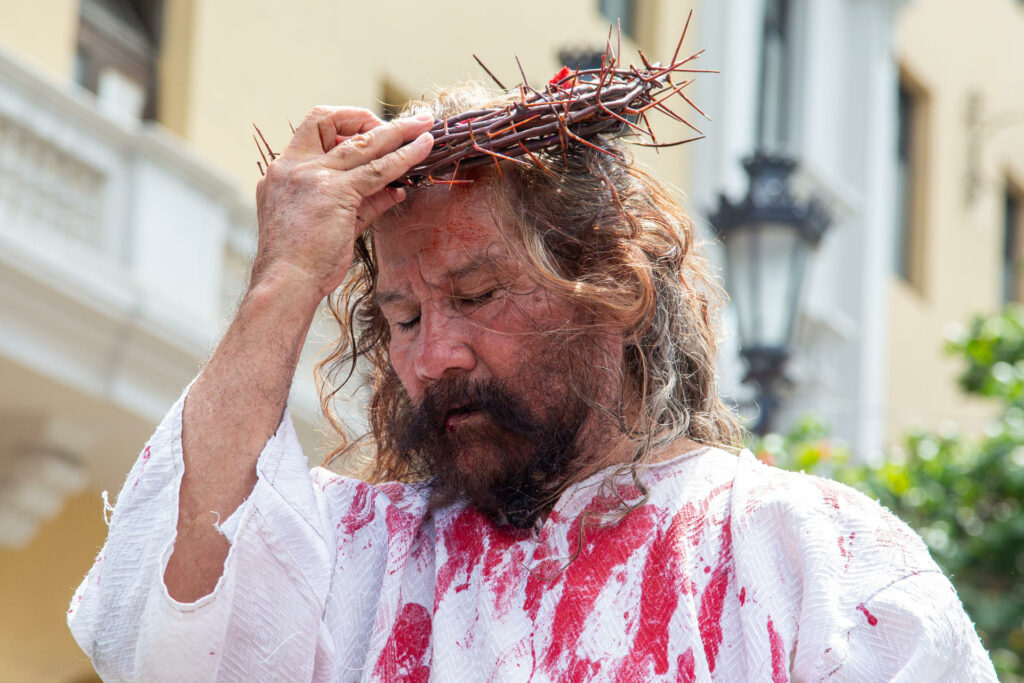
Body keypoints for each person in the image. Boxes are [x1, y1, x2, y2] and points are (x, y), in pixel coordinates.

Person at [68, 86, 997, 682]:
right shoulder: (347, 557)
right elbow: (161, 647)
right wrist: (283, 282)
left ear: (615, 285)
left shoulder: (815, 561)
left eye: (476, 295)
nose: (435, 355)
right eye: (403, 316)